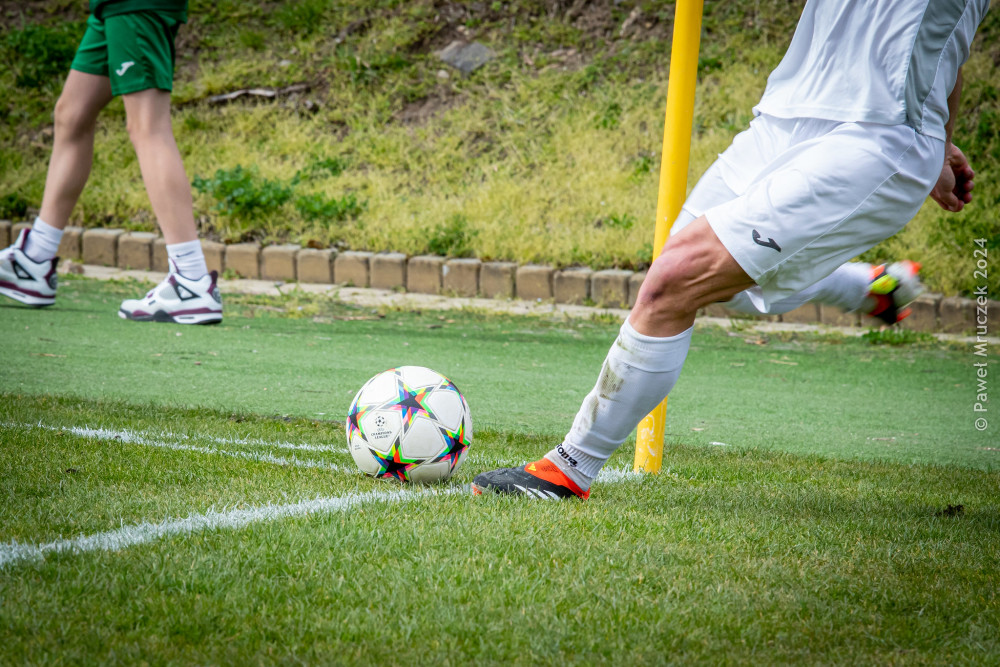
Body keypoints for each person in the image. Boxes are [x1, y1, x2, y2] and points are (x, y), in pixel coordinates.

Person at [472, 0, 989, 499]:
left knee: (674, 280)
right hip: (784, 116)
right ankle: (869, 289)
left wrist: (931, 141)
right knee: (706, 281)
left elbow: (950, 39)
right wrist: (941, 143)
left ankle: (569, 468)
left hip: (877, 136)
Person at [0, 0, 222, 325]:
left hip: (133, 3)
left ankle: (191, 280)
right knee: (71, 115)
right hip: (109, 5)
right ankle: (34, 258)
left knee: (148, 126)